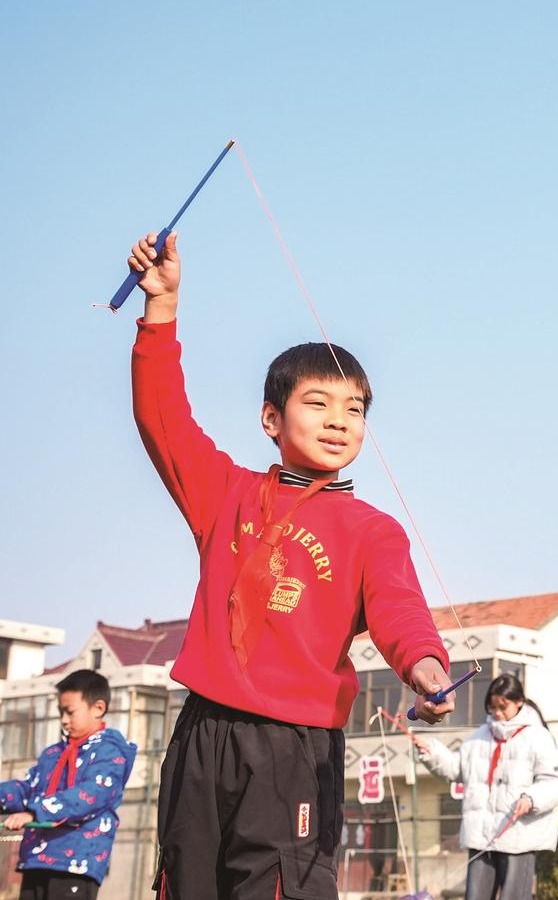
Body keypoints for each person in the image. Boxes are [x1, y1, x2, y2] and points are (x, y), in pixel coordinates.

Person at [124, 232, 454, 899]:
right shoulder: (227, 494)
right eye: (317, 403)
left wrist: (426, 667)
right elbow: (164, 419)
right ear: (271, 418)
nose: (338, 421)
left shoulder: (372, 530)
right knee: (184, 884)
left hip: (295, 747)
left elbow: (400, 611)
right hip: (204, 732)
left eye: (354, 409)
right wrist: (162, 308)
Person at [413, 673, 558, 899]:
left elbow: (554, 781)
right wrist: (432, 752)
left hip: (519, 838)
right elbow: (457, 770)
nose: (497, 712)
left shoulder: (538, 737)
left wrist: (531, 799)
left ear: (519, 702)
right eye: (492, 707)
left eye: (503, 707)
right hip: (480, 837)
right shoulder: (478, 737)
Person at [0, 670, 136, 900]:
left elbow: (89, 795)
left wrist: (34, 812)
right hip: (35, 860)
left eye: (70, 712)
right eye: (60, 712)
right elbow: (27, 789)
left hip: (75, 865)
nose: (63, 720)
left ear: (98, 708)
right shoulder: (52, 754)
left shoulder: (110, 754)